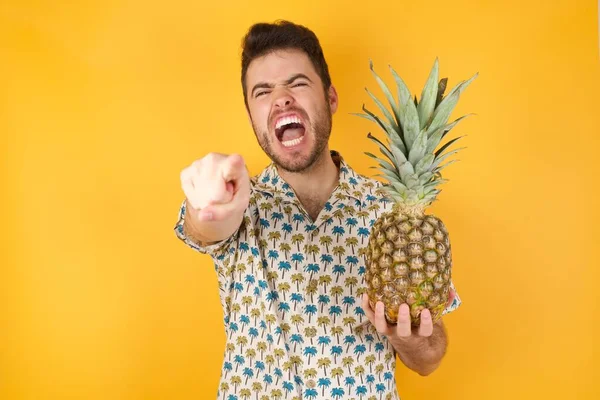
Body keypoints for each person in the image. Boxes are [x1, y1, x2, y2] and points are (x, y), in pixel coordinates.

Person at [174, 20, 461, 400]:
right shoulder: (240, 201)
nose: (281, 98)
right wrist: (209, 205)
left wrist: (405, 334)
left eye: (297, 83)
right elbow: (205, 227)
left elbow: (429, 358)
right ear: (252, 118)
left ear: (331, 99)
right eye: (262, 92)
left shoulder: (395, 217)